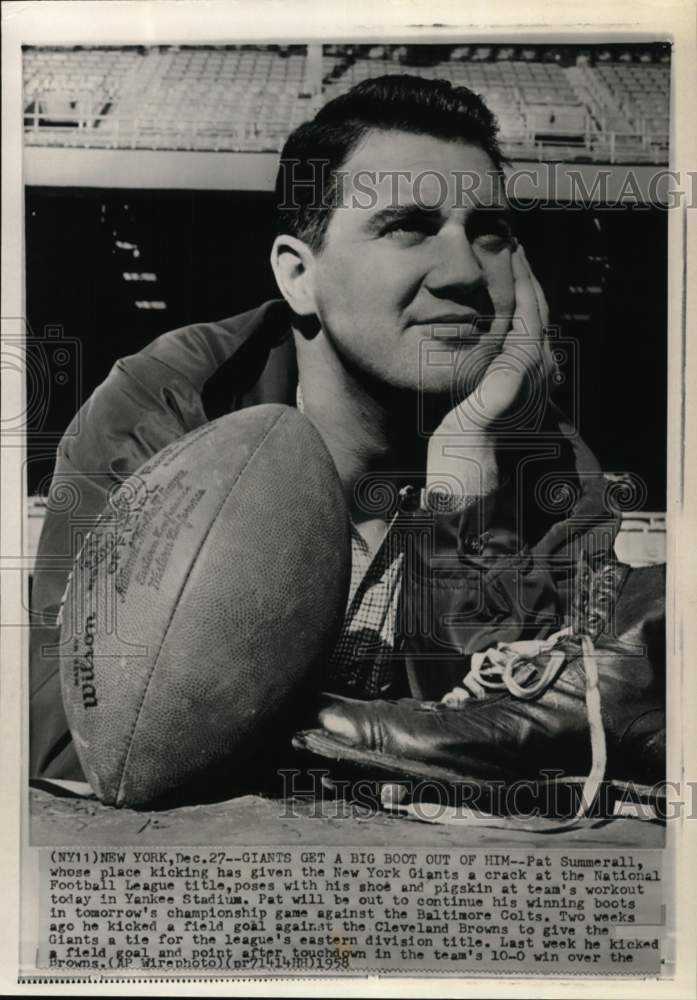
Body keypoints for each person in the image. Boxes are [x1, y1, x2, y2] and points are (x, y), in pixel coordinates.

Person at [30, 75, 664, 806]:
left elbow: (526, 745)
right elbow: (80, 743)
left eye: (487, 232)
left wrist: (463, 483)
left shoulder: (539, 454)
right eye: (408, 227)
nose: (464, 273)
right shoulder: (170, 409)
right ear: (299, 276)